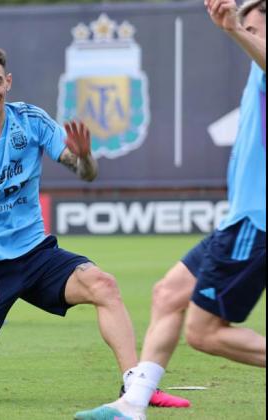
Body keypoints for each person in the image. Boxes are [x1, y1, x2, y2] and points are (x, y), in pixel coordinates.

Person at [0, 47, 186, 409]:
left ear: (8, 82)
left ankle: (134, 387)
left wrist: (86, 157)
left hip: (37, 255)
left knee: (104, 285)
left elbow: (85, 173)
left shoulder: (31, 121)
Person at [75, 1, 265, 418]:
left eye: (255, 27)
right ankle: (133, 404)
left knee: (205, 333)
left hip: (257, 223)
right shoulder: (258, 65)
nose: (248, 33)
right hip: (241, 221)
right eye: (248, 27)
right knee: (168, 294)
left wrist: (236, 29)